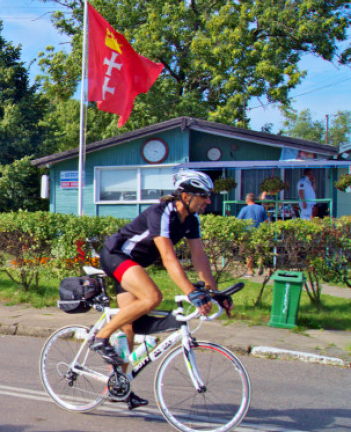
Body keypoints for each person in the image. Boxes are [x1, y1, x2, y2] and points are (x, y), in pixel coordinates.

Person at [92, 170, 231, 410]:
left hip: (133, 265)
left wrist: (213, 292)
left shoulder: (191, 220)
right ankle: (101, 336)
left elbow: (199, 256)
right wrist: (191, 292)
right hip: (116, 256)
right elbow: (168, 257)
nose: (209, 201)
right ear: (186, 195)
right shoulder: (162, 213)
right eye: (204, 196)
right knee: (153, 297)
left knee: (130, 328)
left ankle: (118, 386)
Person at [235, 192, 268, 276]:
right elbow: (266, 221)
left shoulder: (244, 209)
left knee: (249, 253)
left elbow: (238, 221)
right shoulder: (261, 208)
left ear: (247, 200)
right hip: (259, 232)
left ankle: (250, 271)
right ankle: (260, 264)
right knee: (259, 251)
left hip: (247, 232)